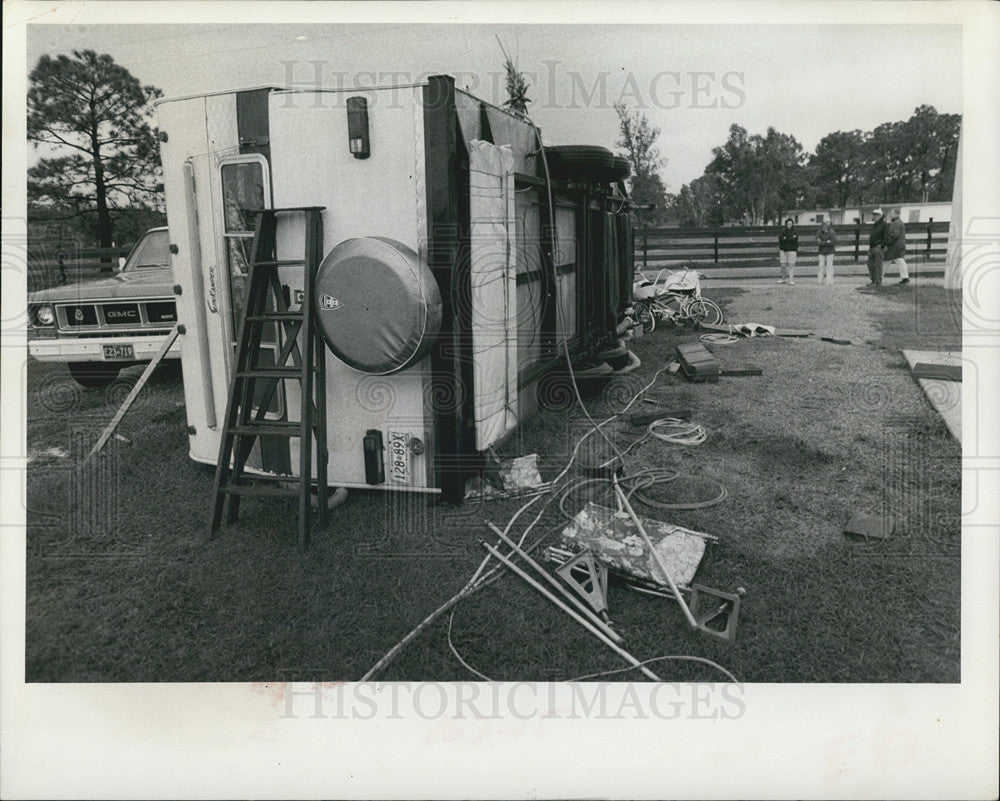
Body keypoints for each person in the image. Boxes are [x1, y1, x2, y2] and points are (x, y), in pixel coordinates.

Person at [884, 207, 910, 284]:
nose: (890, 215)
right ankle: (905, 277)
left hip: (895, 246)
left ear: (896, 214)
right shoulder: (898, 222)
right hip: (898, 245)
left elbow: (893, 235)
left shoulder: (896, 223)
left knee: (887, 260)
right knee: (899, 261)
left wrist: (886, 242)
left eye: (892, 213)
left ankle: (878, 277)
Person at [866, 208, 888, 286]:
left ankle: (878, 282)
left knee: (878, 264)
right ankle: (873, 280)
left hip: (878, 247)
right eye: (874, 214)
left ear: (881, 215)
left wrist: (882, 245)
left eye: (877, 214)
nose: (875, 216)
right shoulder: (875, 225)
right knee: (870, 264)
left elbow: (886, 236)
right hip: (872, 247)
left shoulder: (884, 225)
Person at [778, 218, 799, 285]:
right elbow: (780, 239)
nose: (789, 225)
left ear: (792, 224)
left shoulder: (795, 231)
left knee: (791, 264)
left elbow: (795, 239)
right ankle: (783, 279)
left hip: (792, 250)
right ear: (786, 224)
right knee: (783, 264)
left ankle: (791, 280)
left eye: (790, 224)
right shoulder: (782, 230)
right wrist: (790, 238)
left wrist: (786, 238)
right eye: (788, 224)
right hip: (783, 249)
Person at [815, 219, 837, 285]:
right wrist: (827, 242)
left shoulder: (832, 232)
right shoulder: (819, 232)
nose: (824, 228)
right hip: (821, 252)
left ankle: (829, 281)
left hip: (830, 252)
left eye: (826, 226)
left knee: (829, 266)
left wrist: (822, 242)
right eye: (823, 227)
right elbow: (817, 242)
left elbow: (833, 242)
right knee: (821, 266)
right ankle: (820, 281)